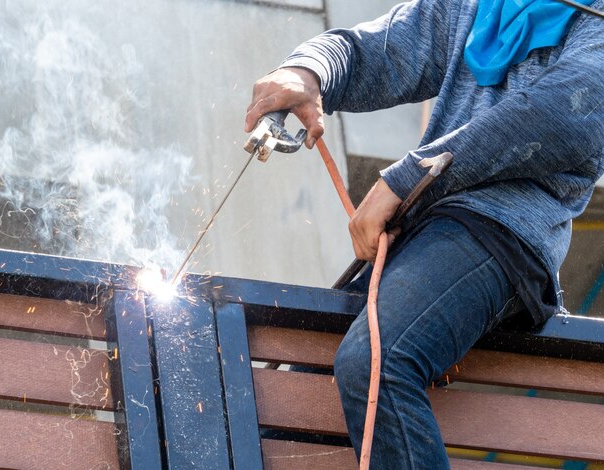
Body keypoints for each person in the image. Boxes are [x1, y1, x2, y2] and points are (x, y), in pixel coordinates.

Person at [245, 0, 604, 468]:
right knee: (293, 399)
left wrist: (410, 177)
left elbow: (564, 114)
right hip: (428, 236)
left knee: (376, 361)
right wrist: (309, 70)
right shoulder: (476, 6)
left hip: (502, 237)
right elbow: (375, 49)